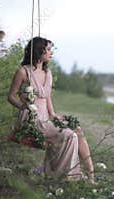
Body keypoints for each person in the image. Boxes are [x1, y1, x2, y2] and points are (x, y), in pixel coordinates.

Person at [7, 37, 96, 184]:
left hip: (46, 118)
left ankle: (91, 176)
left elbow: (47, 97)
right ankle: (64, 177)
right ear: (38, 50)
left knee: (77, 130)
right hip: (31, 121)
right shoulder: (23, 72)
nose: (51, 53)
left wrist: (53, 114)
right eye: (48, 49)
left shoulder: (47, 73)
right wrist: (22, 106)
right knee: (69, 135)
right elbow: (10, 96)